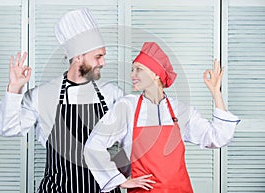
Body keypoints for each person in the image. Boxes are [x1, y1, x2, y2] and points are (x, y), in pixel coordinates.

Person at [0, 8, 123, 193]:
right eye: (98, 56)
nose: (103, 62)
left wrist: (115, 175)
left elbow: (135, 138)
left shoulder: (111, 94)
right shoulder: (42, 95)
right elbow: (7, 129)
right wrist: (14, 89)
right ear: (78, 56)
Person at [84, 42, 240, 193]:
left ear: (155, 74)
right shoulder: (127, 107)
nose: (132, 75)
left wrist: (216, 93)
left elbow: (217, 137)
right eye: (132, 69)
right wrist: (118, 180)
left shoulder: (180, 110)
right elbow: (94, 145)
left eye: (138, 69)